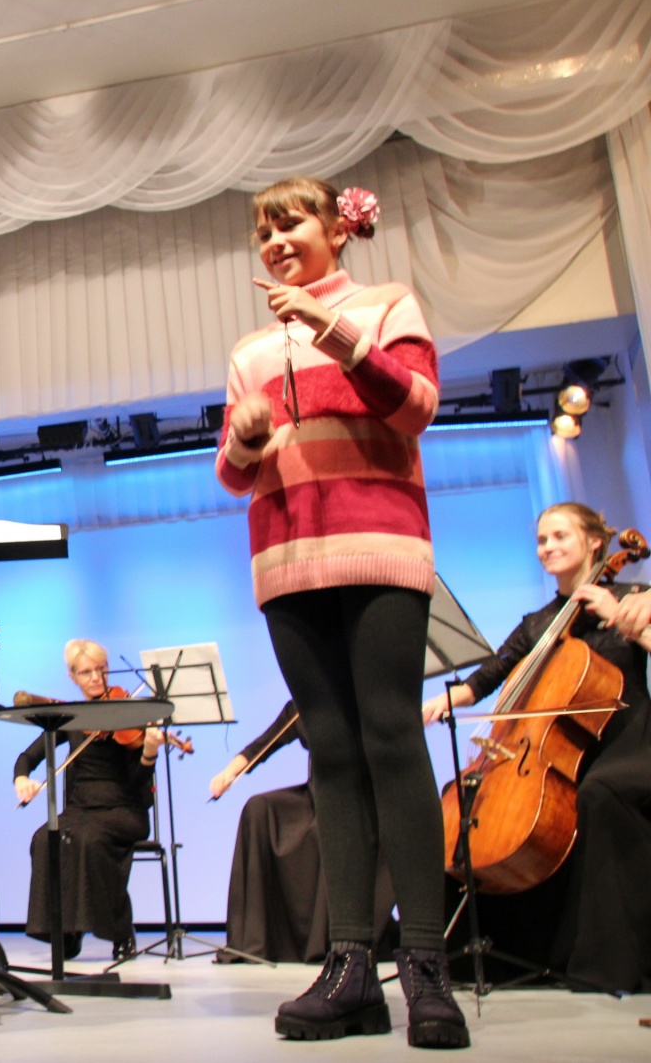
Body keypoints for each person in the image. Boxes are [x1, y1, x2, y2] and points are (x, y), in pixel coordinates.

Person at [214, 178, 466, 1048]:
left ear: (336, 228)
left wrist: (331, 328)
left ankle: (425, 965)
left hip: (381, 546)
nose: (275, 241)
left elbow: (416, 406)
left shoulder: (387, 304)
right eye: (264, 231)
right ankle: (351, 966)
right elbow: (233, 474)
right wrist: (246, 434)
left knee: (392, 735)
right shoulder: (251, 350)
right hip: (287, 560)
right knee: (331, 749)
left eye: (290, 223)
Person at [423, 502, 651, 994]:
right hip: (561, 751)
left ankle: (603, 964)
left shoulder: (632, 597)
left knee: (599, 794)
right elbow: (488, 676)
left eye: (559, 537)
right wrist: (439, 702)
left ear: (595, 542)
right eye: (542, 540)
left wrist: (622, 618)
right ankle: (473, 957)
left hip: (629, 741)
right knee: (460, 799)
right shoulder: (538, 623)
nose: (547, 547)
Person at [209, 700, 395, 963]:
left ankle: (331, 940)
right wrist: (228, 773)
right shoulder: (303, 704)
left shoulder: (361, 698)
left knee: (327, 829)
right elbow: (262, 746)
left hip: (360, 801)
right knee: (258, 808)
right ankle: (253, 940)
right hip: (316, 796)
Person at [11, 640, 162, 961]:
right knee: (45, 838)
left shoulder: (128, 713)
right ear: (73, 677)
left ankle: (121, 931)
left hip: (124, 811)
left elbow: (138, 781)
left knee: (90, 840)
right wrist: (22, 779)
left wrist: (149, 753)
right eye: (86, 672)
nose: (96, 677)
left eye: (101, 669)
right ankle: (65, 931)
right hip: (81, 811)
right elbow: (28, 757)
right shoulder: (71, 717)